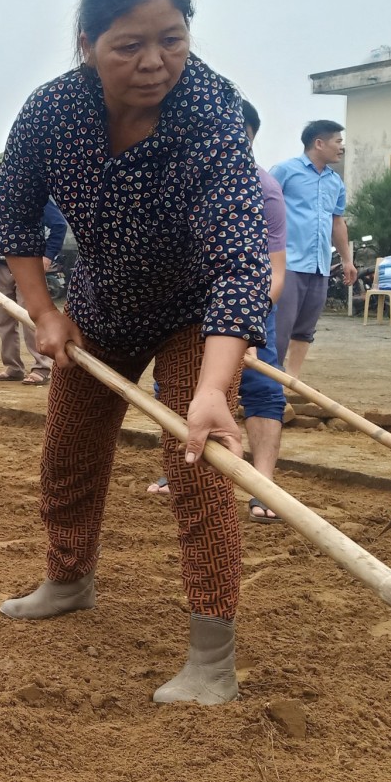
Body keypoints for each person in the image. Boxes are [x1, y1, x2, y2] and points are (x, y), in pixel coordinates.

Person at [0, 0, 270, 706]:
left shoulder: (211, 112)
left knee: (199, 460)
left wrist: (215, 387)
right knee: (68, 451)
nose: (155, 63)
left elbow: (241, 259)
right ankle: (68, 578)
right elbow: (13, 216)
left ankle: (212, 655)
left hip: (195, 310)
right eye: (129, 45)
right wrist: (46, 311)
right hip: (101, 305)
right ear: (87, 42)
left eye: (172, 39)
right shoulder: (51, 112)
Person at [148, 100, 288, 522]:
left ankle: (262, 483)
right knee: (174, 387)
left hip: (248, 298)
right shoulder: (174, 182)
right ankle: (182, 469)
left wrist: (240, 327)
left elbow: (275, 273)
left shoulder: (264, 190)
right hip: (188, 305)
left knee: (263, 391)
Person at [0, 152, 68, 385]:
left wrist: (47, 256)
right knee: (4, 319)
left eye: (3, 168)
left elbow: (58, 225)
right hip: (0, 266)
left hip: (28, 266)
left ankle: (42, 367)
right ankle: (12, 367)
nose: (0, 173)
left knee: (31, 316)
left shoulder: (33, 195)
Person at [271, 119, 353, 376]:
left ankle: (291, 381)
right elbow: (262, 208)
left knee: (306, 328)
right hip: (288, 263)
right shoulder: (285, 171)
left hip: (319, 265)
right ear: (319, 143)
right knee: (280, 326)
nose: (342, 147)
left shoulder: (335, 182)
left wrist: (347, 260)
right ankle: (270, 381)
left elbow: (337, 222)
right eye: (337, 141)